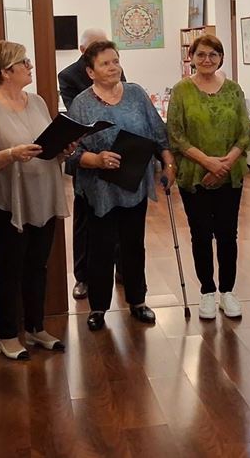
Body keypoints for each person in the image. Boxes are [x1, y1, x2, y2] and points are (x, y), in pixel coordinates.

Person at [0, 41, 72, 360]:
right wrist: (11, 154)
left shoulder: (36, 102)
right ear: (5, 72)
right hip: (10, 199)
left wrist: (64, 149)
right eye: (23, 62)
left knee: (38, 265)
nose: (30, 66)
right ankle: (7, 335)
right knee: (10, 267)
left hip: (43, 194)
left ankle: (36, 327)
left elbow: (47, 144)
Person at [68, 40, 176, 331]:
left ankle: (138, 301)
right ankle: (98, 308)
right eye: (105, 63)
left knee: (133, 245)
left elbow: (159, 134)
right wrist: (97, 159)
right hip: (99, 189)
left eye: (115, 61)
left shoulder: (136, 93)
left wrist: (168, 163)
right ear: (91, 72)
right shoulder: (81, 104)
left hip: (133, 185)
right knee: (100, 249)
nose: (113, 67)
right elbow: (72, 153)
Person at [166, 34, 250, 320]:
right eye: (201, 54)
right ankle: (207, 291)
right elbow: (176, 135)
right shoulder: (181, 91)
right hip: (194, 174)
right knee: (200, 234)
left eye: (213, 55)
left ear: (221, 58)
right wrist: (207, 162)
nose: (207, 60)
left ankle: (227, 292)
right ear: (191, 58)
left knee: (228, 234)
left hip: (230, 174)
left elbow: (244, 133)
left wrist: (225, 164)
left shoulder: (233, 90)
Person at [58, 28, 125, 300]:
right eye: (97, 47)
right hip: (87, 154)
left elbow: (123, 102)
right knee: (86, 219)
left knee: (121, 214)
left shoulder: (116, 69)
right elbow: (79, 117)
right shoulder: (68, 76)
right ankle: (83, 276)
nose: (109, 62)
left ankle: (122, 269)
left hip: (118, 151)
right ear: (83, 50)